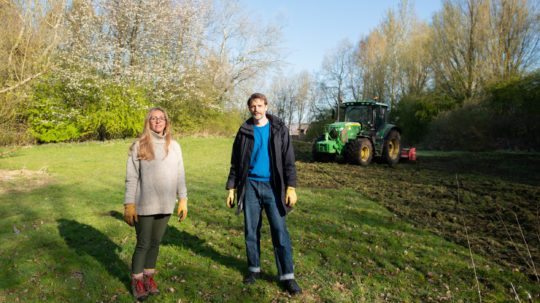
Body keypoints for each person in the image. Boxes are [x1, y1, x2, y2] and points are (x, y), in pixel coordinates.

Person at [226, 93, 303, 295]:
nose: (256, 109)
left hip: (273, 187)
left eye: (259, 105)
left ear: (266, 106)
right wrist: (232, 188)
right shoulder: (244, 131)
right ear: (249, 108)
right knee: (251, 231)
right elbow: (236, 162)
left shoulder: (279, 129)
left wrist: (291, 187)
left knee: (280, 232)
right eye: (252, 106)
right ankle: (254, 270)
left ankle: (288, 277)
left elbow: (289, 160)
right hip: (250, 185)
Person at [123, 107, 188, 301]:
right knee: (143, 243)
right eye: (153, 118)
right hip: (144, 204)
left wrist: (182, 199)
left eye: (161, 118)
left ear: (167, 122)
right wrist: (129, 204)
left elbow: (180, 174)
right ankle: (137, 280)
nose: (158, 122)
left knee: (155, 243)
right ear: (148, 122)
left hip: (166, 204)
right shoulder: (139, 146)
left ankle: (149, 277)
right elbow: (131, 178)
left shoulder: (174, 146)